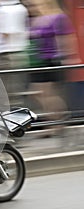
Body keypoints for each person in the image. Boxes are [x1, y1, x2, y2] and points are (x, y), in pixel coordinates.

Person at [27, 0, 80, 134]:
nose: (32, 7)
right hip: (39, 61)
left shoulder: (58, 17)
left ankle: (57, 122)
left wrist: (68, 56)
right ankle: (57, 120)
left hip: (52, 60)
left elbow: (67, 37)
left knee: (45, 93)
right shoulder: (37, 18)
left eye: (35, 4)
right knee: (39, 93)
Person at [0, 0, 29, 99]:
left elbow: (6, 34)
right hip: (0, 55)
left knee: (5, 93)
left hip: (5, 55)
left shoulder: (9, 9)